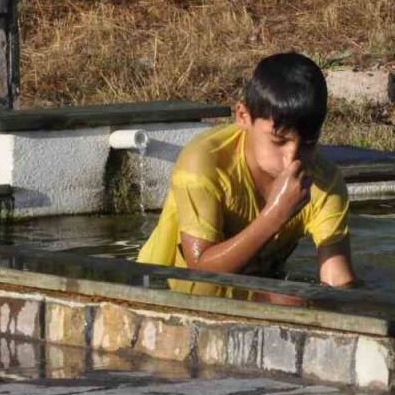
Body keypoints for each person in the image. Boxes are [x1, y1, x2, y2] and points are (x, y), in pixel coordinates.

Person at [137, 52, 356, 298]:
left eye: (308, 143)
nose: (292, 158)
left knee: (294, 300)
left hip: (253, 297)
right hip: (164, 294)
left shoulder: (323, 181)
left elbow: (337, 280)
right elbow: (199, 267)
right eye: (278, 141)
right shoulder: (205, 162)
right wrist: (276, 214)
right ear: (243, 116)